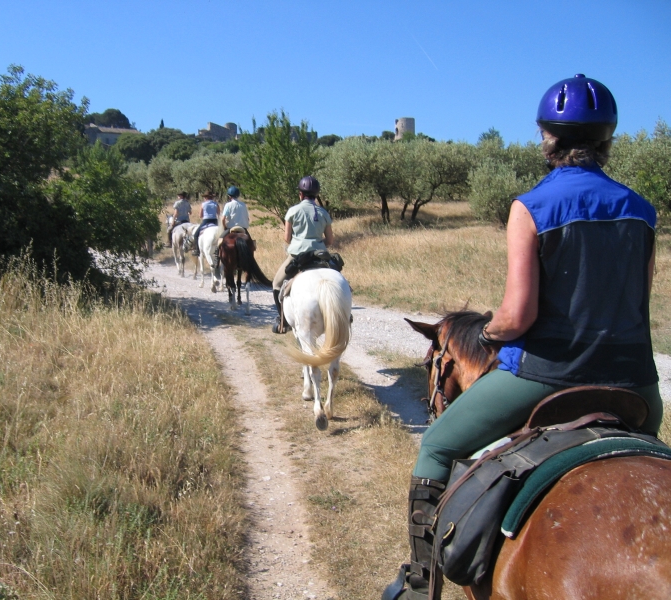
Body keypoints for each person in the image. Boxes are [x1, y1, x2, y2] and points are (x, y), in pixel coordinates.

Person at [382, 74, 663, 600]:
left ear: (548, 138)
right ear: (607, 138)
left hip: (545, 377)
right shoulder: (642, 210)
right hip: (637, 387)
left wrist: (488, 332)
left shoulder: (531, 206)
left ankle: (421, 584)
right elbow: (639, 301)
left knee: (438, 446)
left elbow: (516, 317)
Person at [271, 175, 333, 334]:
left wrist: (299, 243)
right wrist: (318, 245)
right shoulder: (324, 212)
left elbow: (286, 238)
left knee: (277, 284)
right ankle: (347, 315)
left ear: (300, 194)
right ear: (316, 195)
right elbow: (330, 240)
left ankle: (282, 321)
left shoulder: (293, 211)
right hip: (320, 254)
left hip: (298, 255)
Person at [190, 191, 220, 257]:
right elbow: (218, 213)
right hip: (215, 221)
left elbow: (200, 215)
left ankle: (197, 250)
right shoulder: (216, 204)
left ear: (206, 198)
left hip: (206, 220)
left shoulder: (203, 204)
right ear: (212, 197)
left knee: (196, 234)